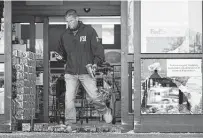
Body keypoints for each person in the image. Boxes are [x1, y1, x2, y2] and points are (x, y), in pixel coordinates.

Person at [56, 9, 112, 126]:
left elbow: (98, 50)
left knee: (94, 97)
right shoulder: (64, 35)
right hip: (70, 72)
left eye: (71, 21)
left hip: (86, 71)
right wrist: (59, 56)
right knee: (69, 99)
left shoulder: (89, 31)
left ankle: (105, 111)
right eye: (67, 21)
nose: (69, 24)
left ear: (77, 19)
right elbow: (62, 53)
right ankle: (70, 122)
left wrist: (96, 63)